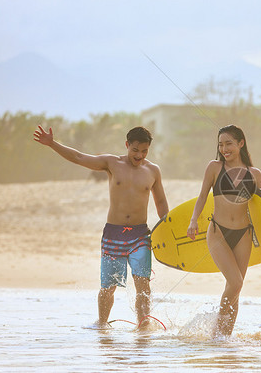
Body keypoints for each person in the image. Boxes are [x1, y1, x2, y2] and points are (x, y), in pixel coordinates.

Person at [33, 125, 169, 328]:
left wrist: (169, 230)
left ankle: (143, 327)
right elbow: (79, 157)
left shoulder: (153, 170)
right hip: (113, 235)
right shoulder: (111, 163)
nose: (139, 155)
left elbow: (161, 205)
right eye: (135, 150)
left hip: (141, 235)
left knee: (143, 285)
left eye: (144, 151)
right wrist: (52, 143)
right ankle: (102, 326)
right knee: (108, 287)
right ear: (126, 145)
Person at [187, 124, 261, 338]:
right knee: (236, 282)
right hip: (218, 231)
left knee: (235, 289)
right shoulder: (214, 167)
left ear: (241, 143)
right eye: (221, 144)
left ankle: (224, 337)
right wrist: (193, 220)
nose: (224, 149)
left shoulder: (255, 174)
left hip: (243, 235)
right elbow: (202, 196)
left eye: (229, 143)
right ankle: (216, 333)